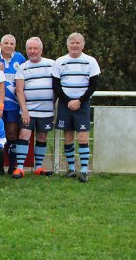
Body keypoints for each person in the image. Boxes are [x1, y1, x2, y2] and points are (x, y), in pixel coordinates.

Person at [52, 32, 100, 183]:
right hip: (65, 104)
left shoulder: (90, 61)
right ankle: (71, 169)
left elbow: (94, 85)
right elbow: (56, 85)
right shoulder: (60, 61)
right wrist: (68, 101)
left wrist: (79, 100)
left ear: (83, 45)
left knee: (83, 137)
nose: (74, 45)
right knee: (68, 136)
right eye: (72, 43)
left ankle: (84, 171)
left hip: (83, 104)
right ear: (67, 45)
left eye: (77, 43)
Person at [13, 37, 56, 178]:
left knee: (42, 137)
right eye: (29, 49)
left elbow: (59, 85)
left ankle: (38, 167)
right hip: (28, 110)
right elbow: (19, 90)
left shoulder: (52, 64)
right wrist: (24, 110)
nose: (32, 51)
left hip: (46, 110)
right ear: (26, 51)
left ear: (41, 50)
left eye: (35, 48)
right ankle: (19, 168)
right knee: (24, 135)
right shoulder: (22, 67)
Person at [0, 34, 26, 174]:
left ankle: (12, 166)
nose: (9, 46)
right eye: (6, 43)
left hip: (12, 105)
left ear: (15, 46)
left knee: (11, 134)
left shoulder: (20, 58)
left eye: (11, 44)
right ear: (0, 44)